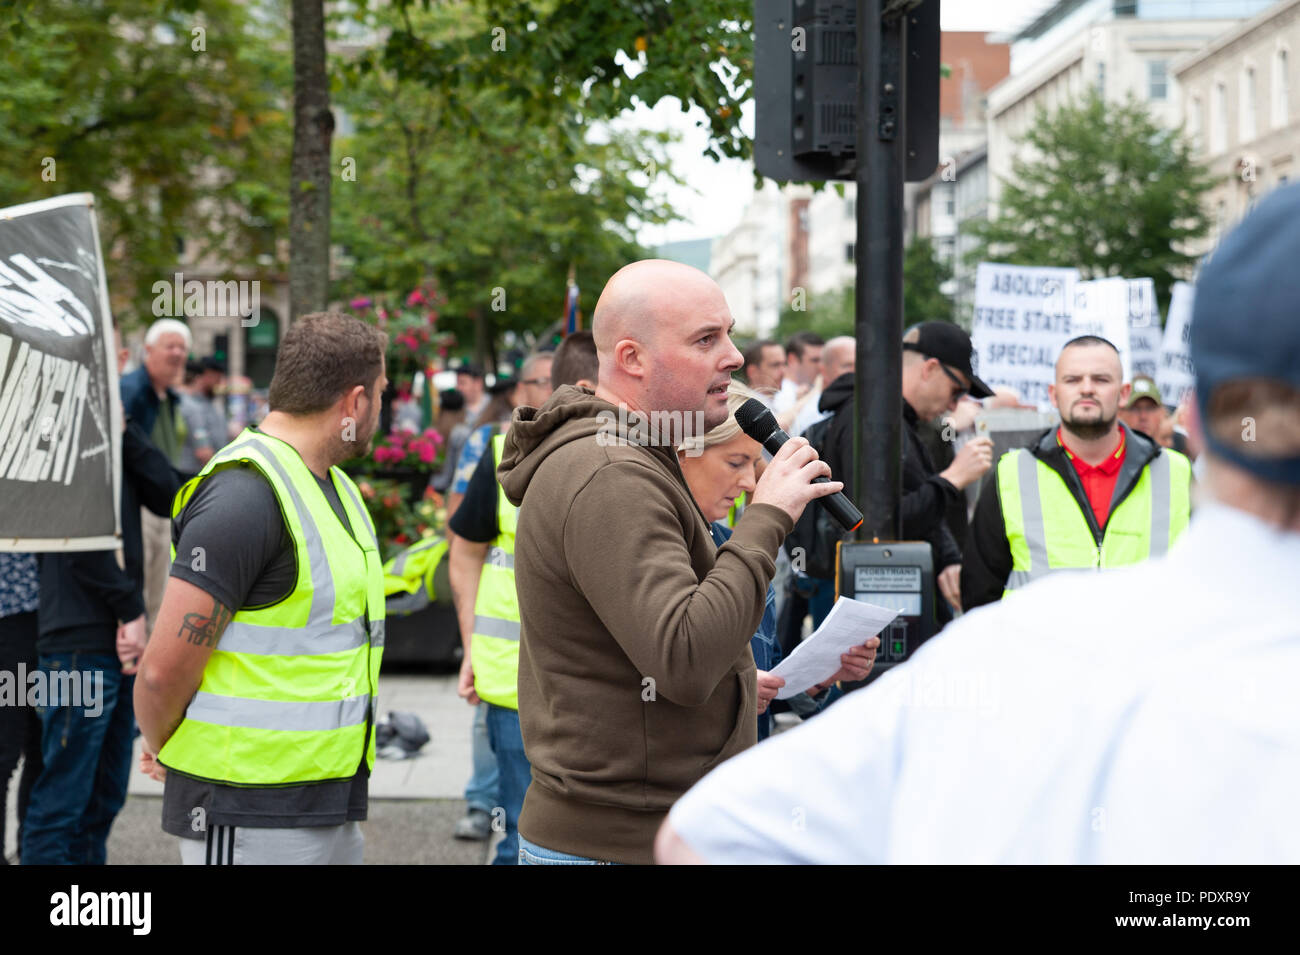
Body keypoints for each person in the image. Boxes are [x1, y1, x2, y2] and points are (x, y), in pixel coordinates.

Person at [656, 185, 1300, 864]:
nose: (960, 401)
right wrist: (952, 483)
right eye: (959, 388)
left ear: (1191, 418)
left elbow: (704, 835)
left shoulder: (1004, 660)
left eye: (1103, 380)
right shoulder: (1001, 615)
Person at [495, 259, 841, 864]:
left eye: (729, 334)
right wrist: (768, 516)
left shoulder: (631, 458)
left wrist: (737, 687)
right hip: (618, 845)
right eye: (706, 340)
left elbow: (641, 656)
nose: (733, 357)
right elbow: (682, 659)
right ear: (631, 358)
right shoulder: (611, 474)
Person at [134, 311, 388, 865]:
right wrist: (166, 745)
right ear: (355, 402)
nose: (380, 413)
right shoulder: (245, 496)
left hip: (323, 799)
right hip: (244, 808)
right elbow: (159, 673)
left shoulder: (335, 487)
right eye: (381, 396)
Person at [22, 323, 180, 865]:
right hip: (78, 640)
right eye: (105, 347)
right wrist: (132, 610)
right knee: (62, 796)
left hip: (117, 640)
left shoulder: (112, 430)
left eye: (117, 349)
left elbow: (170, 493)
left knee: (105, 793)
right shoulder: (55, 428)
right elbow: (74, 542)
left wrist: (125, 429)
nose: (117, 357)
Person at [678, 380, 876, 740]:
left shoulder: (733, 543)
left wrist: (816, 678)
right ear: (682, 453)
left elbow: (766, 675)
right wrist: (733, 689)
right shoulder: (658, 550)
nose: (750, 483)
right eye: (735, 462)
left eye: (754, 465)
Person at [961, 336, 1192, 612]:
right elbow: (979, 598)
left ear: (1123, 393)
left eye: (1101, 380)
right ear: (1053, 394)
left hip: (1148, 654)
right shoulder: (1010, 475)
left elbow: (1212, 580)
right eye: (1072, 380)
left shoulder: (1177, 472)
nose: (1086, 389)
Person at [447, 351, 559, 863]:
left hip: (581, 689)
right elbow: (464, 550)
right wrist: (471, 645)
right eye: (540, 382)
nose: (549, 392)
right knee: (519, 832)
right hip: (509, 680)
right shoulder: (495, 452)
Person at [120, 318, 193, 630]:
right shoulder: (131, 390)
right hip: (139, 503)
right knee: (143, 584)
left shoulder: (172, 398)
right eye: (169, 346)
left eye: (182, 347)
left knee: (160, 588)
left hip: (163, 500)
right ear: (147, 350)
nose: (177, 353)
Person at [0, 553, 42, 863]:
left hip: (50, 620)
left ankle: (31, 854)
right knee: (5, 754)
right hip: (11, 617)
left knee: (42, 752)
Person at [178, 357, 229, 473]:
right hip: (194, 474)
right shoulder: (192, 406)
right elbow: (203, 452)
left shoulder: (210, 404)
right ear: (206, 375)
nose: (219, 383)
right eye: (217, 378)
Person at [1120, 374, 1190, 456]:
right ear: (1120, 413)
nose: (1143, 416)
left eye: (1150, 408)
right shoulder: (1108, 458)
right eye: (1134, 409)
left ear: (1162, 413)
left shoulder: (1178, 461)